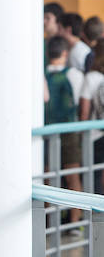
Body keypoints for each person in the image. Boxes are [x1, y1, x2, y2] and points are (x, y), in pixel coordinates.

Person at [46, 35, 84, 225]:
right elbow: (78, 102)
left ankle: (48, 222)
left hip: (46, 132)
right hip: (69, 131)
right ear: (65, 53)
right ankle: (75, 223)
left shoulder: (41, 75)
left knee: (46, 178)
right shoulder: (74, 75)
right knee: (72, 178)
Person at [79, 41, 104, 193]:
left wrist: (81, 135)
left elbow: (84, 111)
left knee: (93, 177)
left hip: (94, 135)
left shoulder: (91, 77)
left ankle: (95, 213)